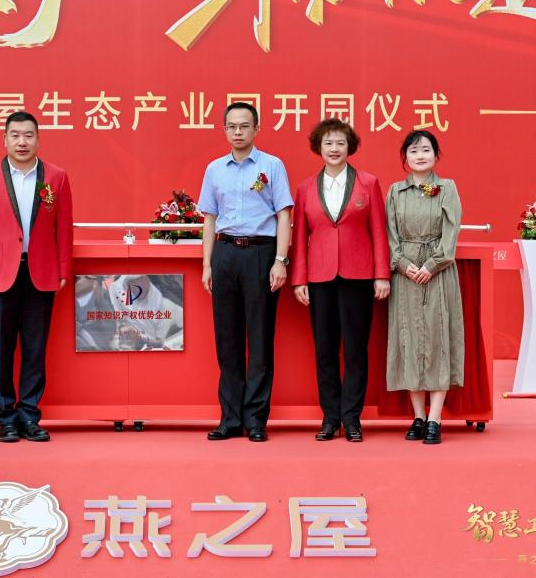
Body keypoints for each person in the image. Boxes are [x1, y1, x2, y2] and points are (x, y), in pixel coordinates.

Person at [0, 111, 73, 443]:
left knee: (35, 349)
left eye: (28, 135)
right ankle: (6, 418)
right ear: (5, 139)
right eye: (15, 135)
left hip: (41, 273)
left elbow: (64, 228)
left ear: (38, 139)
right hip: (0, 274)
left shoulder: (56, 177)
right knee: (0, 349)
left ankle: (29, 415)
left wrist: (63, 269)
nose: (22, 142)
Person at [198, 102, 293, 442]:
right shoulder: (214, 169)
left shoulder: (272, 166)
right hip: (225, 254)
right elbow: (209, 219)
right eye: (232, 126)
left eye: (244, 126)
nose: (238, 132)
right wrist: (208, 264)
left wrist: (280, 260)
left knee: (260, 339)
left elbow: (284, 214)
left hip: (260, 254)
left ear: (256, 129)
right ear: (224, 130)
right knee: (227, 340)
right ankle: (230, 419)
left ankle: (255, 420)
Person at [290, 119, 390, 442]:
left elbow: (379, 232)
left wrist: (382, 275)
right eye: (328, 143)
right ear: (318, 147)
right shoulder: (306, 188)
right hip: (319, 277)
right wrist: (299, 279)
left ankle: (352, 418)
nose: (334, 149)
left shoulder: (368, 183)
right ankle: (330, 418)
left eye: (340, 143)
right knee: (325, 350)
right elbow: (299, 236)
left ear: (350, 147)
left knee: (356, 349)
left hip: (358, 276)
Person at [385, 130, 464, 445]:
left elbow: (451, 232)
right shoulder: (395, 191)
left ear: (436, 155)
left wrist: (432, 265)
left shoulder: (447, 188)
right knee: (408, 340)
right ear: (405, 156)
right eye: (414, 150)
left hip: (438, 273)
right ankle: (418, 416)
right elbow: (389, 234)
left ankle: (436, 418)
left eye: (426, 150)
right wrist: (402, 264)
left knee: (438, 338)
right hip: (405, 275)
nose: (420, 155)